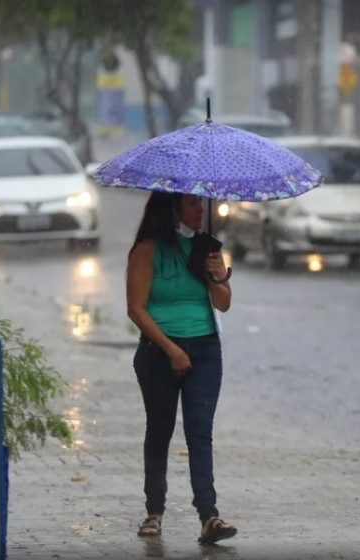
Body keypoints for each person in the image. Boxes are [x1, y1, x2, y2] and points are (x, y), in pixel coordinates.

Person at [126, 192, 237, 545]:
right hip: (159, 351)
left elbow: (224, 304)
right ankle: (154, 512)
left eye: (201, 204)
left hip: (205, 349)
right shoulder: (147, 250)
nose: (199, 210)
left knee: (200, 432)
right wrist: (171, 349)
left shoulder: (205, 249)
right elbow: (135, 309)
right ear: (172, 208)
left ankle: (209, 516)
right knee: (160, 430)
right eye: (191, 204)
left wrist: (218, 276)